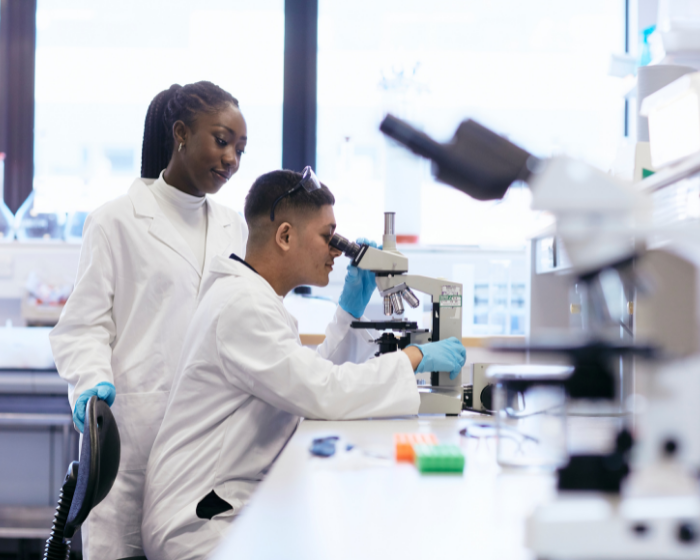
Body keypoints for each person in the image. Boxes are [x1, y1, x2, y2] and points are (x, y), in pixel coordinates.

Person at [141, 169, 467, 560]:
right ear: (285, 236)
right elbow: (323, 392)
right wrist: (414, 357)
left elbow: (305, 380)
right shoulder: (242, 306)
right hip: (202, 526)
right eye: (328, 237)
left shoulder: (252, 298)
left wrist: (347, 313)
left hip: (224, 501)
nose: (335, 250)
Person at [49, 81, 249, 560]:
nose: (231, 160)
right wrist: (92, 384)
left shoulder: (233, 225)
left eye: (241, 149)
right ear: (180, 134)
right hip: (134, 440)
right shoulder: (114, 221)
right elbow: (84, 326)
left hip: (207, 447)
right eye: (222, 141)